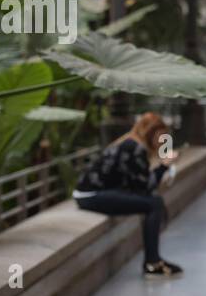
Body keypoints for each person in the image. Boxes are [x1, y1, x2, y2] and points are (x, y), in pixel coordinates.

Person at [73, 111, 182, 276]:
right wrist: (164, 165)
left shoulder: (130, 143)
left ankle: (153, 261)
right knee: (154, 204)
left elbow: (138, 185)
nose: (161, 141)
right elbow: (146, 186)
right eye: (160, 136)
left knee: (154, 202)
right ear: (151, 133)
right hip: (90, 196)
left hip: (92, 193)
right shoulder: (134, 147)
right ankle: (152, 263)